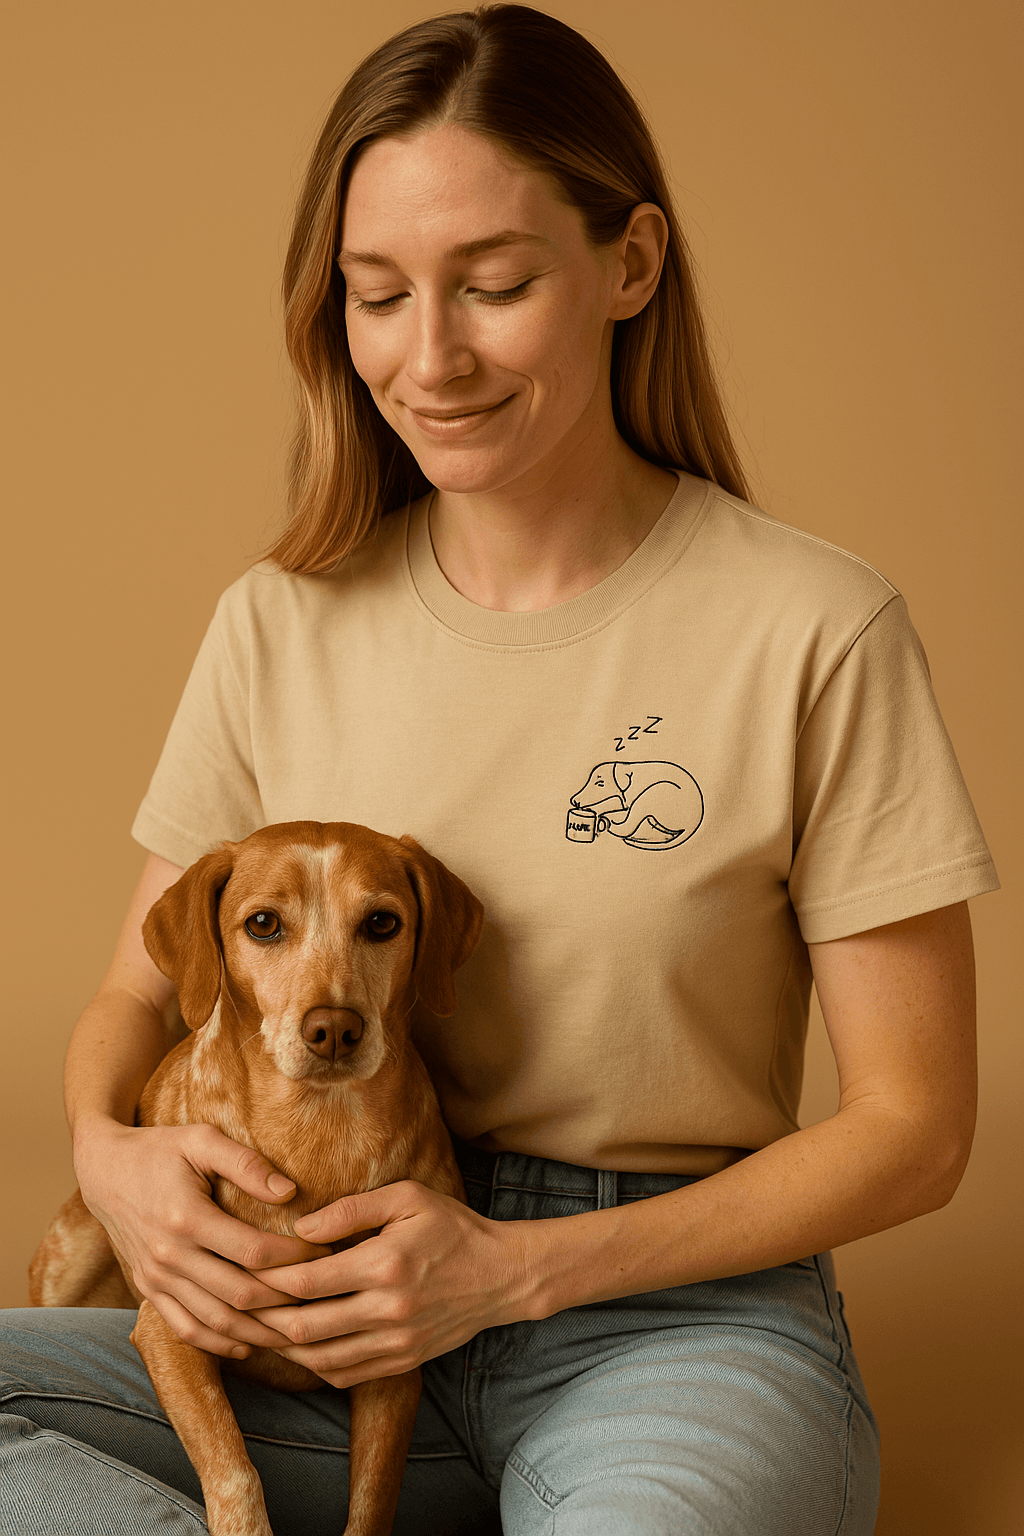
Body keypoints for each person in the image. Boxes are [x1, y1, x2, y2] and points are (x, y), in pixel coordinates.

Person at [0, 6, 999, 1534]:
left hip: (664, 1320)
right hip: (302, 1333)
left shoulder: (810, 624)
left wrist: (510, 1267)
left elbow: (917, 1127)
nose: (430, 356)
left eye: (496, 285)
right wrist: (113, 1157)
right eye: (379, 295)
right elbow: (139, 996)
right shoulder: (280, 619)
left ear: (632, 265)